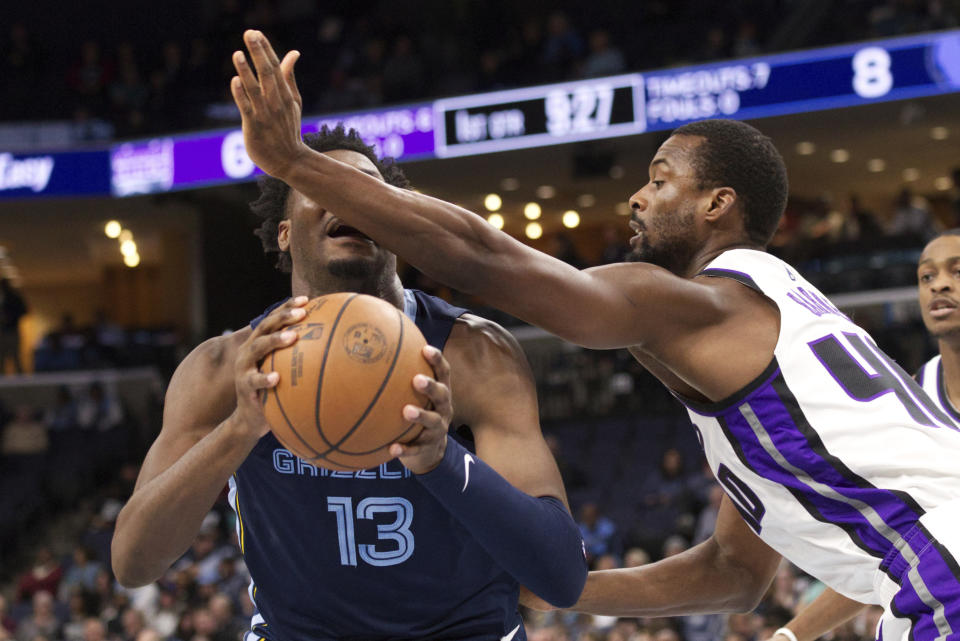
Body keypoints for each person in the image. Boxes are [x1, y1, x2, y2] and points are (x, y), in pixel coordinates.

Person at [228, 30, 960, 640]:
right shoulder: (775, 352)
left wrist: (297, 163)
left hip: (942, 576)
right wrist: (556, 588)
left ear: (717, 203)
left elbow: (482, 258)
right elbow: (735, 576)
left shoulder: (702, 301)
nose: (637, 196)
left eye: (660, 179)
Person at [110, 124, 586, 641]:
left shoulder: (474, 355)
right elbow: (133, 563)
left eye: (362, 188)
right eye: (321, 188)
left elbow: (560, 576)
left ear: (396, 219)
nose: (345, 199)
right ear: (285, 232)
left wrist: (441, 460)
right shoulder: (223, 369)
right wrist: (241, 428)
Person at [759, 228, 960, 641]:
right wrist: (792, 635)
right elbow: (897, 551)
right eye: (926, 276)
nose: (939, 284)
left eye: (957, 271)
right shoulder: (911, 394)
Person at [0, 278, 27, 374]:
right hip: (2, 331)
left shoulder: (14, 297)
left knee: (15, 355)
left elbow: (24, 310)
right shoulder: (3, 297)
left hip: (11, 330)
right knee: (1, 356)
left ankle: (20, 380)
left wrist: (11, 317)